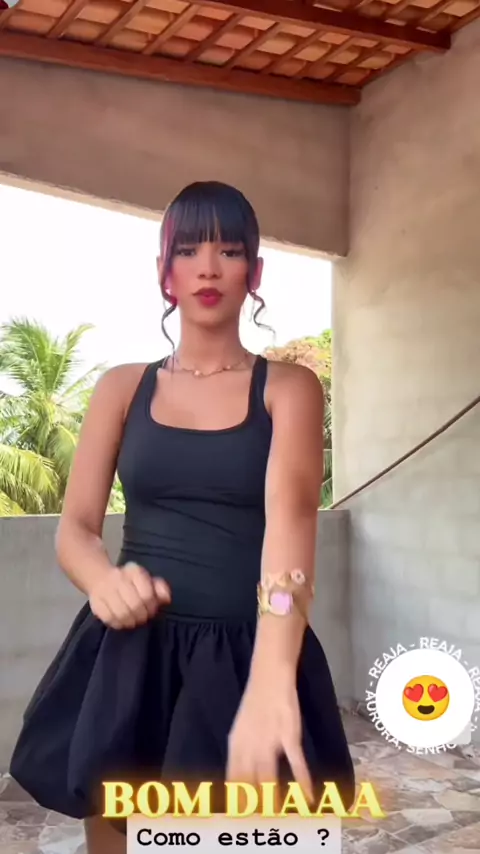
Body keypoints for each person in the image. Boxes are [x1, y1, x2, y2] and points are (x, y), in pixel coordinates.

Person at [10, 181, 355, 853]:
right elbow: (76, 529)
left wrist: (271, 680)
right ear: (163, 272)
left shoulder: (288, 389)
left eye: (230, 251)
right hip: (133, 660)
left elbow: (289, 539)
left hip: (249, 653)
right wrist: (103, 581)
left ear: (256, 273)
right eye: (188, 250)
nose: (208, 268)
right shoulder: (121, 387)